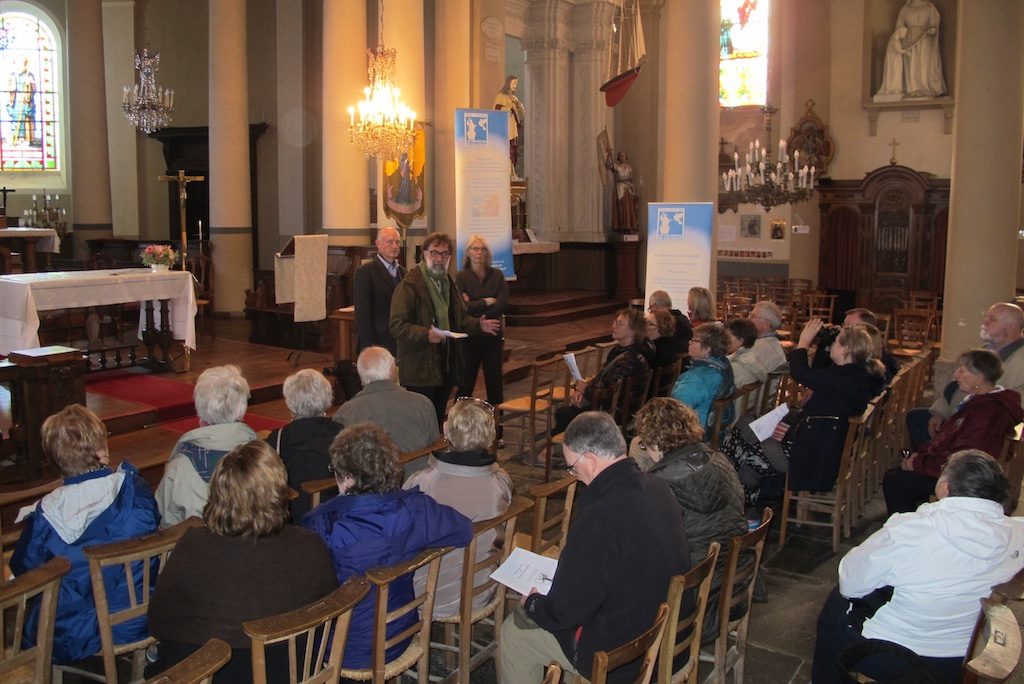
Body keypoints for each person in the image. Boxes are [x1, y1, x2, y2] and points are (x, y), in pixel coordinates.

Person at [499, 411, 690, 684]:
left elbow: (564, 613)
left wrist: (532, 603)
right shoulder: (658, 486)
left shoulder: (600, 516)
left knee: (515, 634)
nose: (575, 476)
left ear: (589, 458)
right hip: (664, 636)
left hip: (620, 658)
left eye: (573, 467)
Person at [812, 450, 1024, 684]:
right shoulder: (1018, 533)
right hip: (964, 656)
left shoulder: (909, 531)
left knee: (836, 606)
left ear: (944, 487)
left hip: (899, 658)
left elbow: (850, 582)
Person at [147, 441, 338, 682]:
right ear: (279, 491)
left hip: (212, 674)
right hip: (293, 672)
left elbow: (158, 623)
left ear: (218, 492)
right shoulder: (310, 545)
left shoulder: (192, 546)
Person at [302, 424, 472, 669]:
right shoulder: (416, 508)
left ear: (347, 477)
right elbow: (463, 530)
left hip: (343, 647)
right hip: (400, 632)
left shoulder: (320, 523)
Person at [10, 404, 159, 665]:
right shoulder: (137, 492)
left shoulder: (46, 517)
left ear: (55, 459)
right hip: (140, 617)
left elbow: (26, 571)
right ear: (102, 449)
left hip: (73, 634)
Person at [631, 398, 746, 639]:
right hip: (731, 590)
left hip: (691, 607)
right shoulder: (720, 461)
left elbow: (644, 552)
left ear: (653, 440)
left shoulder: (658, 485)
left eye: (643, 442)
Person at [404, 397, 512, 619]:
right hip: (481, 588)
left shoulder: (421, 483)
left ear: (446, 430)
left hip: (427, 595)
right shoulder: (501, 482)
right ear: (491, 435)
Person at [883, 349, 1024, 514]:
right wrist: (920, 456)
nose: (955, 375)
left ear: (980, 377)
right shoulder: (980, 403)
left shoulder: (986, 413)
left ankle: (907, 531)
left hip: (967, 479)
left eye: (962, 370)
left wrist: (918, 463)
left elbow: (965, 458)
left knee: (895, 481)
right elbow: (948, 438)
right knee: (898, 472)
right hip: (957, 467)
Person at [389, 232, 500, 425]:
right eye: (434, 253)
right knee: (422, 421)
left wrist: (478, 325)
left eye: (445, 254)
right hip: (420, 367)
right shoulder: (410, 285)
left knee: (438, 417)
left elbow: (459, 318)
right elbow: (397, 325)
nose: (439, 259)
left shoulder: (448, 283)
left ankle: (436, 452)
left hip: (444, 364)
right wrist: (425, 334)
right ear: (424, 254)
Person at [907, 302, 1024, 449]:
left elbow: (1015, 403)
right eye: (986, 317)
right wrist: (940, 412)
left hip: (980, 425)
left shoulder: (1020, 358)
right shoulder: (986, 350)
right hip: (959, 416)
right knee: (917, 417)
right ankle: (925, 462)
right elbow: (954, 385)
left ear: (1009, 327)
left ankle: (931, 466)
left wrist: (969, 419)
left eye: (992, 319)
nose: (984, 322)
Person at [156, 365, 257, 527]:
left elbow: (166, 519)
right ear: (242, 408)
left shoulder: (180, 464)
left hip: (199, 547)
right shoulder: (263, 454)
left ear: (199, 409)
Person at [551, 308, 652, 437]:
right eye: (614, 322)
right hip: (614, 408)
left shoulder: (629, 359)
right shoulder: (623, 351)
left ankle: (557, 448)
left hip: (614, 414)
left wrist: (585, 390)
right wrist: (583, 389)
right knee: (568, 411)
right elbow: (603, 378)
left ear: (633, 330)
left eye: (619, 324)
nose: (613, 326)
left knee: (563, 413)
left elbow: (609, 393)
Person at [332, 346, 439, 467]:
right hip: (419, 480)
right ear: (393, 372)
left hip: (373, 483)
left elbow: (343, 461)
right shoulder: (423, 403)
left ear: (360, 374)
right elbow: (435, 447)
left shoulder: (346, 412)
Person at [266, 369, 342, 520]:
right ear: (327, 398)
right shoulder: (343, 434)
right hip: (335, 514)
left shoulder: (278, 438)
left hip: (291, 516)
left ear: (289, 401)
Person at [455, 235, 509, 408]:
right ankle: (458, 423)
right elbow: (461, 307)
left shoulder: (497, 275)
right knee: (466, 382)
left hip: (492, 334)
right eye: (475, 249)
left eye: (482, 249)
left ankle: (496, 427)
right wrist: (484, 302)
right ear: (468, 252)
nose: (479, 253)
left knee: (495, 383)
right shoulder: (461, 277)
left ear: (487, 253)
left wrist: (477, 309)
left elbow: (502, 303)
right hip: (471, 337)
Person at [873, 0, 946, 102]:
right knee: (910, 64)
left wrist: (932, 29)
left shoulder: (929, 7)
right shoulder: (905, 9)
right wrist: (903, 32)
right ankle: (912, 89)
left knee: (923, 63)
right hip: (908, 39)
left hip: (924, 39)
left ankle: (924, 88)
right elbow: (899, 25)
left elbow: (933, 23)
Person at [672, 323, 736, 435]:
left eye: (694, 340)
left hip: (692, 433)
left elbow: (676, 410)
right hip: (713, 430)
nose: (689, 342)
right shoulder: (723, 367)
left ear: (707, 348)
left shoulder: (697, 378)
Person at [353, 226, 405, 355]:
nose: (394, 246)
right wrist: (370, 347)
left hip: (398, 338)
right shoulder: (365, 272)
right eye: (390, 242)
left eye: (397, 242)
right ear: (378, 244)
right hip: (378, 340)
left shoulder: (402, 272)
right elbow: (363, 314)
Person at [812, 307, 899, 380]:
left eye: (849, 327)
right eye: (844, 326)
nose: (843, 331)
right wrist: (826, 345)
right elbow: (817, 372)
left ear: (865, 330)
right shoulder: (845, 349)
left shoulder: (871, 357)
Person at [725, 317, 768, 389]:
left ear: (741, 340)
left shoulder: (735, 368)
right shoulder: (752, 359)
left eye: (727, 337)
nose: (723, 340)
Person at [494, 75, 525, 173]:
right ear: (508, 83)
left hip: (513, 127)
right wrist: (509, 109)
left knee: (513, 150)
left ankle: (512, 171)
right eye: (513, 82)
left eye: (516, 83)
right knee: (507, 149)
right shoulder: (501, 96)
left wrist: (520, 108)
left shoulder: (514, 98)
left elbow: (521, 114)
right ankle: (507, 171)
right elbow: (497, 109)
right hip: (505, 127)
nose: (515, 85)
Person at [748, 300, 789, 372]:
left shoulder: (762, 347)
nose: (748, 319)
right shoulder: (771, 342)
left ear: (766, 323)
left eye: (753, 316)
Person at [605, 151, 638, 233]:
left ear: (626, 157)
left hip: (628, 188)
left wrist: (632, 186)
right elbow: (608, 166)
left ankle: (629, 225)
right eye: (621, 156)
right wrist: (609, 155)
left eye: (624, 156)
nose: (622, 157)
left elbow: (630, 178)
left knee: (629, 207)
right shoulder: (616, 166)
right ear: (619, 158)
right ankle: (622, 225)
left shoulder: (629, 167)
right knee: (621, 206)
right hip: (620, 187)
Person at [7, 57, 36, 146]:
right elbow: (9, 88)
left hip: (25, 100)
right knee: (16, 119)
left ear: (25, 64)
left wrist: (30, 84)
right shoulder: (12, 75)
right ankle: (16, 139)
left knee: (26, 119)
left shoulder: (29, 75)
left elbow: (34, 88)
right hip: (16, 102)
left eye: (23, 63)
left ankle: (26, 139)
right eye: (19, 62)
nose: (21, 64)